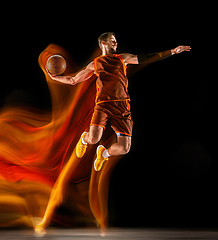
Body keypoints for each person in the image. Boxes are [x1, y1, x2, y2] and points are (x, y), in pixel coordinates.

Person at [36, 32, 190, 236]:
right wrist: (55, 78)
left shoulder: (122, 58)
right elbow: (74, 79)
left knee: (125, 148)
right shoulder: (96, 63)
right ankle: (86, 139)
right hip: (102, 106)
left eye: (116, 39)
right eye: (112, 39)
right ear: (103, 43)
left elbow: (147, 57)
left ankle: (104, 153)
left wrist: (172, 51)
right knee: (92, 138)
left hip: (122, 107)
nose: (116, 41)